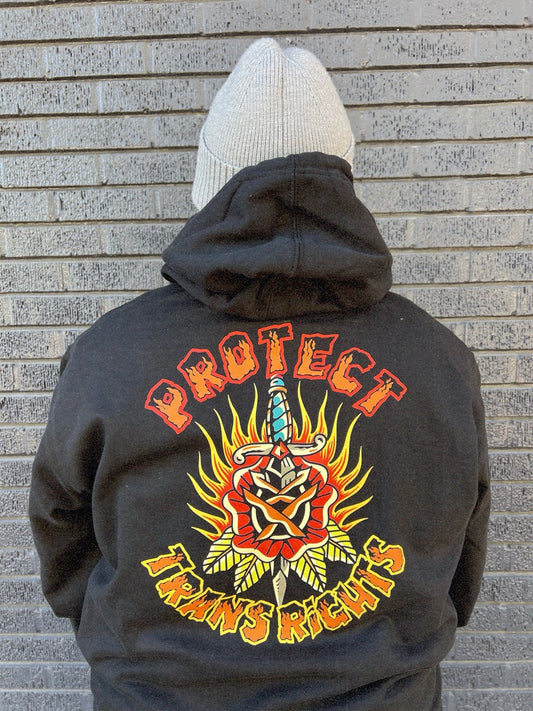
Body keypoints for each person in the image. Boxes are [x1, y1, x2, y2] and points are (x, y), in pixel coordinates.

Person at [30, 38, 490, 710]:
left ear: (210, 187)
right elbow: (461, 552)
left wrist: (128, 641)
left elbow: (61, 538)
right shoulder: (440, 361)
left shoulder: (107, 357)